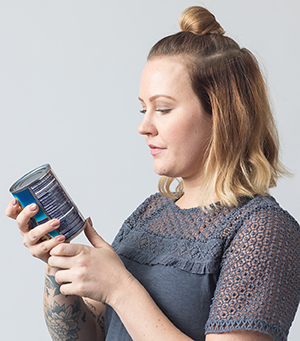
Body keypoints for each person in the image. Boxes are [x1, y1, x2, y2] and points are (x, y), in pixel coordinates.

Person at [6, 6, 300, 341]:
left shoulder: (264, 231)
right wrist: (58, 261)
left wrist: (121, 288)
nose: (143, 126)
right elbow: (87, 336)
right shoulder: (151, 213)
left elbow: (122, 295)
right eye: (143, 108)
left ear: (221, 115)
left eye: (162, 109)